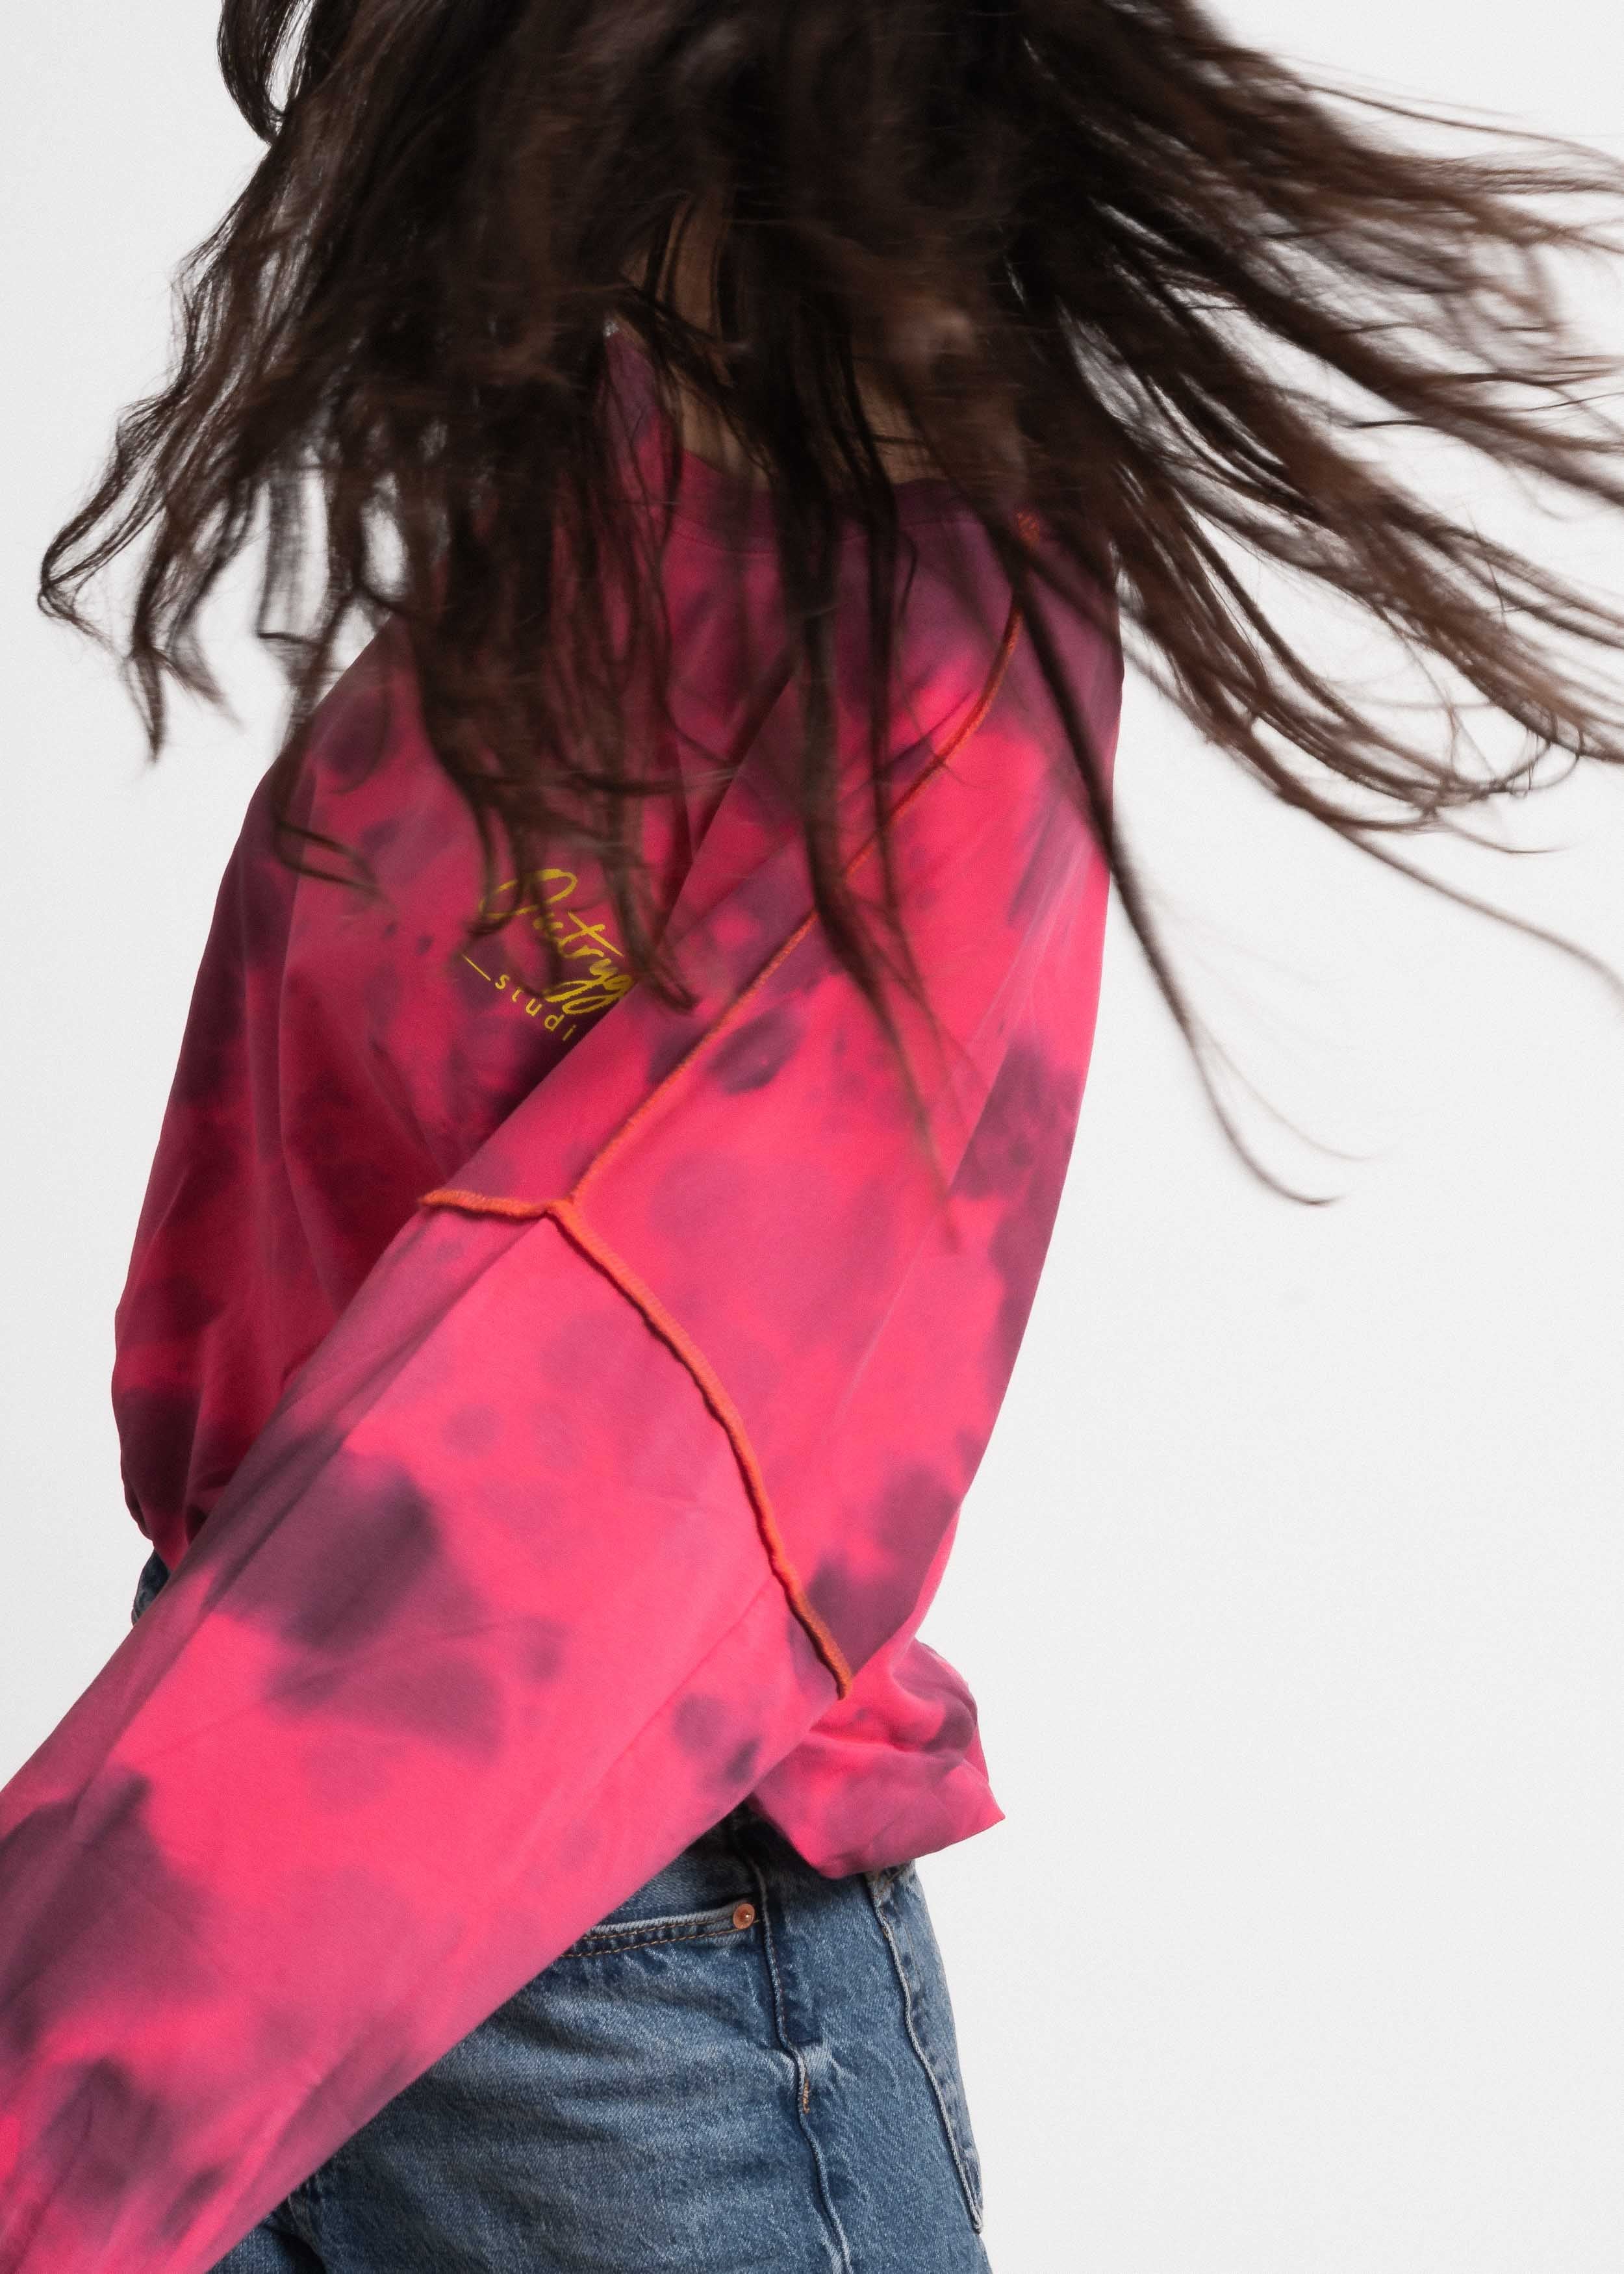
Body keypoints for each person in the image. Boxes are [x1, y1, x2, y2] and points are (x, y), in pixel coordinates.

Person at [5, 4, 1624, 2269]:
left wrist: (60, 2038)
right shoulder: (573, 491)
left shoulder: (933, 629)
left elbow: (617, 1417)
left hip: (583, 1986)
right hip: (237, 1851)